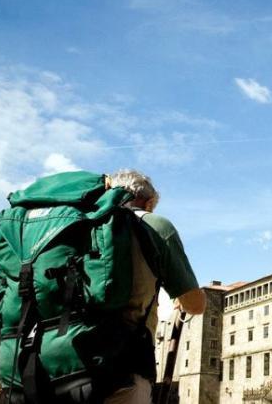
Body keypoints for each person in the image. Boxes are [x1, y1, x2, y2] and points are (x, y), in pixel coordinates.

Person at [105, 169, 205, 404]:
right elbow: (196, 304)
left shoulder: (80, 223)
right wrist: (183, 296)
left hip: (48, 361)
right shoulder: (153, 224)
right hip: (122, 364)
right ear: (148, 203)